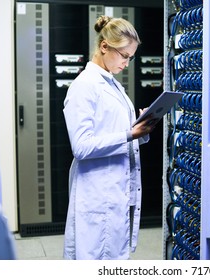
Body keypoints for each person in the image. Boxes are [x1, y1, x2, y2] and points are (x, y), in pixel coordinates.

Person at [62, 15, 156, 260]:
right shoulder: (85, 86)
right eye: (124, 56)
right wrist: (129, 133)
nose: (127, 63)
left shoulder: (113, 85)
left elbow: (118, 133)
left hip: (115, 193)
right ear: (104, 46)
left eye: (131, 57)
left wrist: (141, 129)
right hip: (97, 195)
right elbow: (81, 147)